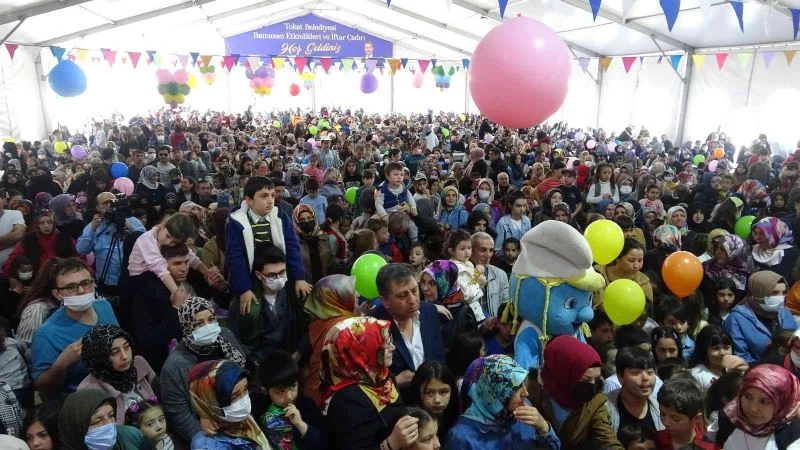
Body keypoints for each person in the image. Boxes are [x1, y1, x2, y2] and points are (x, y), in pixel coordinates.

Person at [321, 316, 419, 450]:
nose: (393, 347)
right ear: (359, 352)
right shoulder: (345, 400)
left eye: (389, 340)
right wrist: (390, 444)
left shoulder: (383, 376)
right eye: (384, 344)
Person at [160, 296, 246, 442]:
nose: (208, 326)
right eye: (199, 323)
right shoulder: (175, 365)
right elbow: (178, 412)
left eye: (211, 319)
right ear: (187, 326)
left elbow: (244, 374)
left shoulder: (225, 336)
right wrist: (200, 433)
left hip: (240, 410)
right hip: (206, 428)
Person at [30, 258, 119, 398]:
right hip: (82, 403)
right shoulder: (46, 335)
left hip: (118, 389)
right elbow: (43, 389)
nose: (81, 291)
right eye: (71, 287)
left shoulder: (104, 307)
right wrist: (61, 365)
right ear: (57, 295)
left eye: (86, 283)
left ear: (94, 284)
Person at [226, 177, 310, 319]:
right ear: (249, 200)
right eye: (264, 196)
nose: (270, 200)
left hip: (280, 273)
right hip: (252, 278)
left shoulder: (281, 217)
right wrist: (244, 289)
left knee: (296, 306)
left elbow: (292, 247)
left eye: (272, 195)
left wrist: (299, 277)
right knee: (252, 313)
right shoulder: (236, 223)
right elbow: (235, 258)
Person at [445, 354, 560, 450]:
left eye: (523, 386)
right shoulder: (461, 436)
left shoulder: (523, 411)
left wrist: (543, 428)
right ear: (493, 392)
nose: (526, 393)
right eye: (516, 388)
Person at [533, 335, 624, 450]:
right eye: (585, 380)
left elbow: (607, 440)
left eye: (596, 379)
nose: (592, 386)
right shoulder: (530, 392)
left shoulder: (594, 401)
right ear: (564, 372)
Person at [371, 264, 445, 392]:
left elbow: (439, 358)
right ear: (385, 301)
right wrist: (395, 382)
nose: (412, 300)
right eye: (402, 296)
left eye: (415, 290)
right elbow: (367, 381)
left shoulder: (430, 312)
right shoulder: (372, 326)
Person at [76, 325, 157, 424]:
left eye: (127, 347)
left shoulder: (139, 363)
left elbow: (161, 395)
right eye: (115, 352)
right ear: (101, 357)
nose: (124, 356)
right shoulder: (88, 389)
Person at [187, 359, 272, 449]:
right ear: (210, 401)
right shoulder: (206, 446)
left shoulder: (240, 420)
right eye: (234, 397)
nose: (244, 400)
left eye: (245, 389)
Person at [230, 244, 296, 359]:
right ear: (258, 275)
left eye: (282, 272)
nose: (279, 279)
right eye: (271, 275)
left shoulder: (292, 292)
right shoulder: (246, 303)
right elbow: (240, 342)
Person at [301, 274, 358, 404]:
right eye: (351, 292)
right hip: (330, 398)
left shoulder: (317, 324)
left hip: (311, 392)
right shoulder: (346, 327)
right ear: (336, 299)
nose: (358, 295)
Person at [715, 364, 800, 450]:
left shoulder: (792, 436)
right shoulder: (731, 416)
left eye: (764, 402)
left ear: (783, 404)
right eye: (748, 396)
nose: (753, 408)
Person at [76, 192, 146, 294]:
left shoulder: (132, 221)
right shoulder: (94, 225)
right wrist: (92, 230)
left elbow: (147, 243)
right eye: (105, 203)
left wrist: (129, 226)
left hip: (131, 279)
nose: (110, 206)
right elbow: (81, 250)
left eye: (113, 202)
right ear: (97, 207)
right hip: (106, 282)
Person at [257, 350, 326, 449]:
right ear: (266, 390)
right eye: (280, 391)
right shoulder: (260, 406)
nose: (289, 396)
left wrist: (301, 424)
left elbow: (322, 443)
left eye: (293, 386)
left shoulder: (307, 406)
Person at [724, 270, 797, 364]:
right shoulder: (736, 319)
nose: (780, 298)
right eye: (774, 293)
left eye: (783, 293)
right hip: (756, 373)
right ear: (758, 292)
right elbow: (741, 357)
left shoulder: (785, 312)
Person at [58, 389, 156, 450]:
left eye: (111, 415)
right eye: (98, 420)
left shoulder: (131, 436)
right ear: (77, 428)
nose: (109, 424)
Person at [3, 209, 79, 277]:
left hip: (64, 276)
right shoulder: (28, 240)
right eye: (42, 223)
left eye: (49, 222)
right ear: (37, 225)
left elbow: (79, 256)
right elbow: (13, 258)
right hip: (36, 279)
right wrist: (11, 277)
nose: (46, 226)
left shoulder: (65, 238)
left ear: (53, 224)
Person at [604, 347, 662, 435]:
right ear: (620, 377)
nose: (645, 378)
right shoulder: (605, 408)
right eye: (636, 373)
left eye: (649, 372)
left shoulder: (661, 406)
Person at [655, 377, 717, 450]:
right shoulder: (655, 440)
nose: (666, 422)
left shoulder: (709, 447)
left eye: (675, 419)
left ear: (696, 418)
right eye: (663, 414)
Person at [408, 361, 459, 441]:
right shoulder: (409, 428)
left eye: (443, 392)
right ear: (418, 392)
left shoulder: (458, 423)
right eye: (429, 392)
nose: (437, 400)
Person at [688, 325, 747, 391]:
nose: (722, 353)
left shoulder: (736, 369)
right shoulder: (697, 375)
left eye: (726, 348)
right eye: (716, 348)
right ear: (704, 350)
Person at [599, 239, 654, 307]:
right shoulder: (599, 275)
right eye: (631, 260)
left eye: (640, 260)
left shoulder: (644, 284)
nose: (636, 265)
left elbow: (646, 312)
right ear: (617, 258)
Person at [292, 204, 335, 284]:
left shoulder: (323, 237)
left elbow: (330, 262)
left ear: (314, 218)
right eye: (302, 220)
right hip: (304, 287)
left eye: (309, 218)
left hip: (323, 284)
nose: (307, 222)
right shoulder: (293, 240)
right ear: (296, 222)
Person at [751, 217, 800, 282]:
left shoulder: (793, 254)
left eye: (762, 233)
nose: (757, 237)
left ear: (775, 234)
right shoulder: (753, 251)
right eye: (756, 233)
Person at [0, 188, 26, 268]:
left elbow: (18, 235)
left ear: (4, 201)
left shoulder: (15, 214)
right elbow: (15, 239)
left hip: (11, 268)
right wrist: (10, 243)